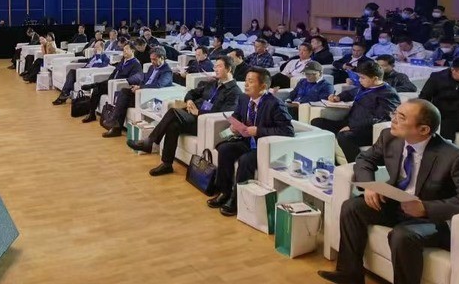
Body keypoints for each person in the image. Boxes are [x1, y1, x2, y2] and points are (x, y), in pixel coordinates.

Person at [317, 99, 459, 284]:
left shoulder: (455, 157)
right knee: (353, 207)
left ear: (423, 129)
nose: (393, 120)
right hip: (397, 203)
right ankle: (350, 274)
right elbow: (365, 159)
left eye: (401, 117)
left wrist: (426, 208)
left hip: (432, 219)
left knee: (402, 235)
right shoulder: (389, 137)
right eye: (395, 113)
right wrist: (369, 185)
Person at [129, 56, 241, 176]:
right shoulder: (213, 83)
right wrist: (189, 101)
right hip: (192, 116)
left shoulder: (234, 92)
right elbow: (191, 93)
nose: (215, 69)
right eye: (215, 66)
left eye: (219, 66)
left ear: (229, 69)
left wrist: (198, 113)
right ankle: (166, 164)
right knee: (173, 125)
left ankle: (150, 142)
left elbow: (224, 114)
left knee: (173, 112)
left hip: (206, 124)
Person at [211, 67, 294, 215]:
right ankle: (224, 192)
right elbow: (237, 115)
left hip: (264, 148)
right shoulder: (244, 98)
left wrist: (259, 131)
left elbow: (288, 131)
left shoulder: (275, 104)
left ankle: (236, 200)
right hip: (247, 142)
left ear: (263, 86)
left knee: (245, 160)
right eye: (246, 80)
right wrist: (234, 125)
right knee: (224, 149)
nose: (246, 84)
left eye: (250, 81)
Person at [313, 61, 401, 163]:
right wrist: (338, 97)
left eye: (363, 78)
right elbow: (351, 93)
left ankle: (357, 165)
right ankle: (328, 158)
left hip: (366, 129)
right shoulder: (365, 87)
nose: (359, 80)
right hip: (349, 121)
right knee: (317, 122)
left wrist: (352, 126)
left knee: (344, 136)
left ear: (375, 78)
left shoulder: (388, 93)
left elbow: (381, 118)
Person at [102, 46, 173, 137]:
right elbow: (144, 80)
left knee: (123, 99)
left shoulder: (167, 71)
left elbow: (158, 85)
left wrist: (140, 87)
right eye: (151, 59)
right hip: (141, 93)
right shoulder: (152, 67)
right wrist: (137, 86)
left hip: (149, 97)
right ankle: (115, 125)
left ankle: (115, 126)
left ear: (162, 58)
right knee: (123, 92)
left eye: (154, 59)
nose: (152, 62)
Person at [82, 42, 142, 124]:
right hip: (111, 83)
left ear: (133, 51)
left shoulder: (136, 64)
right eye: (123, 49)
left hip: (119, 85)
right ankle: (92, 113)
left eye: (126, 49)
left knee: (98, 86)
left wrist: (117, 81)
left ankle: (93, 85)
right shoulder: (123, 60)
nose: (124, 51)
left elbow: (134, 78)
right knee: (97, 89)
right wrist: (110, 80)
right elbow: (114, 72)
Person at [53, 40, 111, 104]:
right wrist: (77, 60)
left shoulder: (105, 58)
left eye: (97, 47)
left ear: (102, 48)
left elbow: (99, 65)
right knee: (71, 73)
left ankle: (64, 94)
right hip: (82, 71)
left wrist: (98, 54)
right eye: (94, 47)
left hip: (87, 73)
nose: (94, 49)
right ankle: (65, 94)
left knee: (72, 72)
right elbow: (88, 60)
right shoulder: (94, 56)